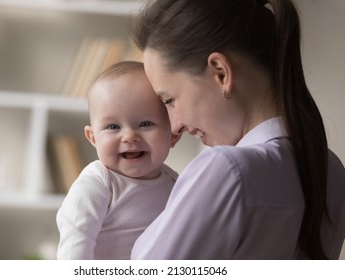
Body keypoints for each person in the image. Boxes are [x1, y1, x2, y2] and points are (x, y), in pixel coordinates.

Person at [129, 0, 345, 259]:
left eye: (170, 100)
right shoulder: (331, 171)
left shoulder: (227, 170)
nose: (175, 125)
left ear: (221, 73)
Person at [56, 61, 180, 259]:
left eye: (145, 124)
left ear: (173, 134)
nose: (129, 136)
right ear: (93, 138)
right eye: (113, 127)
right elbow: (75, 243)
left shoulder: (176, 183)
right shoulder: (98, 183)